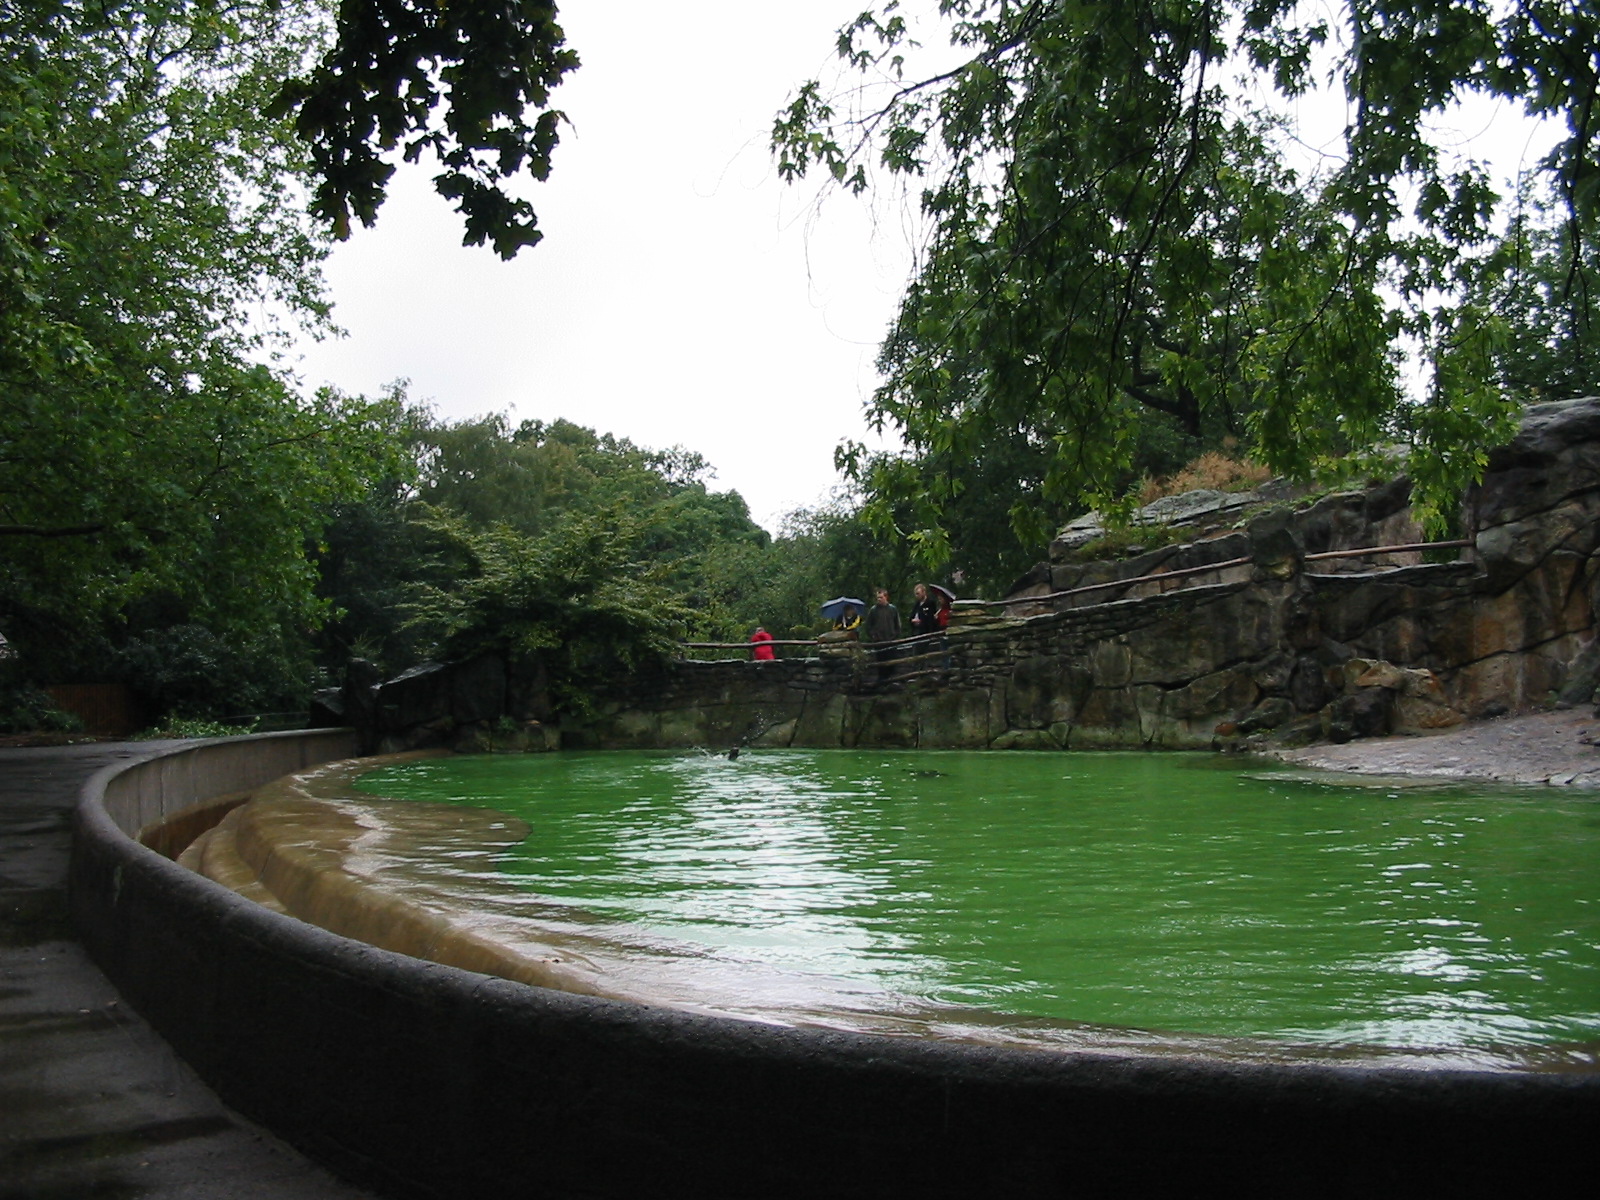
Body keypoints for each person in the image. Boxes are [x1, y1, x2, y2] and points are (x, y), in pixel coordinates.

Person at [863, 587, 901, 683]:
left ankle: (892, 679)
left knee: (892, 660)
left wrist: (895, 635)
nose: (879, 599)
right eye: (877, 598)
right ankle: (881, 680)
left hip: (891, 639)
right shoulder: (873, 610)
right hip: (879, 641)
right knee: (880, 661)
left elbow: (897, 624)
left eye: (881, 597)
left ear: (886, 597)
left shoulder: (892, 609)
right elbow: (868, 625)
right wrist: (873, 636)